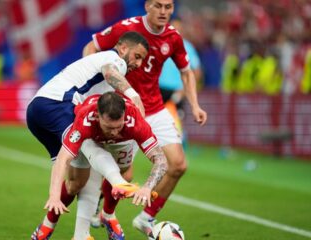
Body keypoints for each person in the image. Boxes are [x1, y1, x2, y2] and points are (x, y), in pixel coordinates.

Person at [82, 0, 207, 237]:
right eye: (158, 6)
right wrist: (91, 81)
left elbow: (186, 72)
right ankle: (100, 205)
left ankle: (146, 217)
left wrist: (195, 104)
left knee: (178, 165)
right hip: (126, 109)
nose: (163, 12)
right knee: (124, 175)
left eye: (168, 7)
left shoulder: (173, 38)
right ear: (148, 6)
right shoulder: (126, 28)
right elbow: (92, 47)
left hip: (156, 108)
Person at [27, 31, 149, 240]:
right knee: (92, 148)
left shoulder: (100, 72)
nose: (138, 63)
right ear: (122, 48)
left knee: (76, 182)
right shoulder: (113, 59)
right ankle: (115, 184)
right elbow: (111, 72)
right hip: (57, 105)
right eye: (137, 56)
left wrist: (54, 195)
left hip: (38, 111)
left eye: (142, 59)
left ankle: (44, 230)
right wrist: (133, 95)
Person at [32, 92, 168, 240]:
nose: (115, 132)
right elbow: (62, 159)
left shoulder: (134, 121)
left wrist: (147, 188)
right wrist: (54, 196)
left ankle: (107, 215)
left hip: (125, 141)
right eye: (109, 127)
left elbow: (161, 160)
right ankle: (48, 223)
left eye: (118, 126)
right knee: (74, 185)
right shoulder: (85, 119)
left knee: (126, 177)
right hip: (90, 138)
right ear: (97, 116)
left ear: (124, 115)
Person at [159, 18, 202, 149]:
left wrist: (184, 89)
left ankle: (178, 147)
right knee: (157, 120)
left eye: (179, 29)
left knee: (177, 118)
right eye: (173, 28)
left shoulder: (187, 47)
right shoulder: (160, 44)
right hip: (158, 88)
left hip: (177, 88)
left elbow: (197, 71)